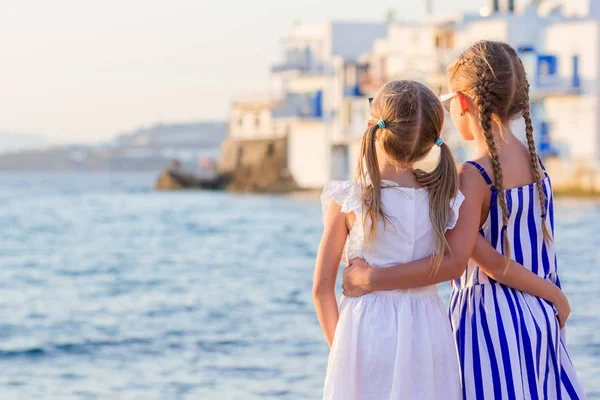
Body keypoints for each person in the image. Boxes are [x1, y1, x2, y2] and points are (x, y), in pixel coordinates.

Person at [342, 41, 586, 399]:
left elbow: (478, 262)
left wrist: (372, 278)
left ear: (463, 102)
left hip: (491, 324)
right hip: (541, 319)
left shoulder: (474, 176)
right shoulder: (536, 164)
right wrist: (552, 296)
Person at [315, 79, 461, 399]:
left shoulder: (350, 200)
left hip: (366, 333)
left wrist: (341, 351)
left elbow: (322, 289)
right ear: (430, 140)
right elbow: (452, 265)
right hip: (428, 334)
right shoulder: (443, 199)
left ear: (372, 127)